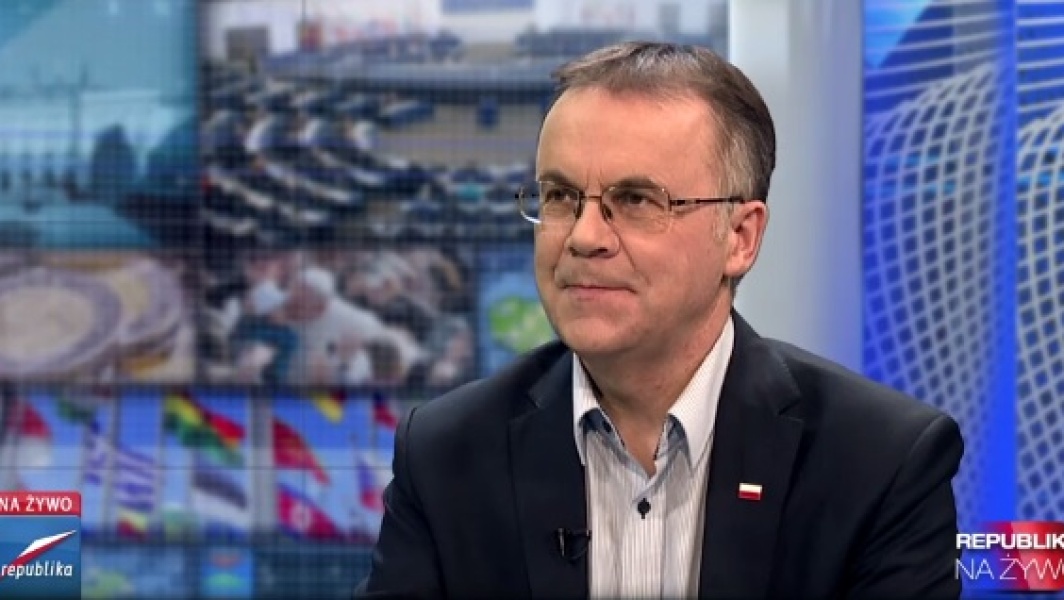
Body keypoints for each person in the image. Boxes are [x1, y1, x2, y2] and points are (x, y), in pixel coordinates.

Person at [357, 42, 964, 599]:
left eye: (636, 200)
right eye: (561, 196)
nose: (584, 237)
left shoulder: (878, 463)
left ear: (740, 238)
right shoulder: (446, 455)